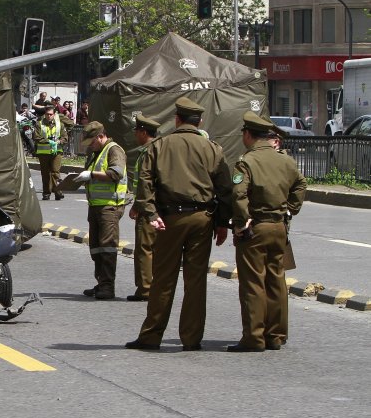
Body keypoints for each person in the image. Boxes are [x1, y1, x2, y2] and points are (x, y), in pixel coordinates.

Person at [125, 97, 232, 352]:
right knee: (196, 281)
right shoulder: (212, 148)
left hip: (169, 219)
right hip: (203, 219)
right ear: (200, 122)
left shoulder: (160, 146)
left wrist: (150, 214)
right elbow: (225, 189)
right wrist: (221, 222)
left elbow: (145, 182)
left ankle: (151, 336)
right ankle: (191, 338)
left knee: (163, 279)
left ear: (177, 119)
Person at [228, 112, 307, 353]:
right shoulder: (285, 160)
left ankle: (254, 337)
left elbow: (238, 194)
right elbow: (300, 184)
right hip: (279, 227)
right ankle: (276, 335)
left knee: (253, 282)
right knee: (276, 281)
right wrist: (290, 210)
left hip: (256, 228)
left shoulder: (247, 162)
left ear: (249, 135)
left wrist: (242, 223)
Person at [73, 121, 127, 299]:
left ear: (100, 136)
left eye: (92, 142)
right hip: (96, 206)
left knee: (107, 248)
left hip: (109, 207)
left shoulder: (114, 150)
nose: (90, 146)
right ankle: (100, 282)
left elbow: (115, 174)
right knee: (96, 248)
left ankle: (107, 286)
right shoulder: (96, 152)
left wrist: (92, 175)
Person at [126, 115, 160, 302]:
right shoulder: (160, 148)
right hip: (158, 207)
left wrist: (138, 206)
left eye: (136, 131)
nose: (135, 134)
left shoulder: (147, 152)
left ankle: (146, 289)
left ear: (144, 132)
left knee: (144, 249)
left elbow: (145, 183)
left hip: (147, 208)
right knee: (157, 250)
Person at [33, 105, 68, 200]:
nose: (49, 116)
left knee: (55, 172)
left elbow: (65, 137)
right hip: (43, 153)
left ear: (54, 114)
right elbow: (36, 137)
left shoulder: (60, 124)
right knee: (45, 173)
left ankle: (58, 191)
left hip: (56, 152)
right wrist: (48, 141)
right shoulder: (39, 124)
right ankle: (46, 193)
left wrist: (59, 142)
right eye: (47, 114)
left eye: (51, 114)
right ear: (45, 114)